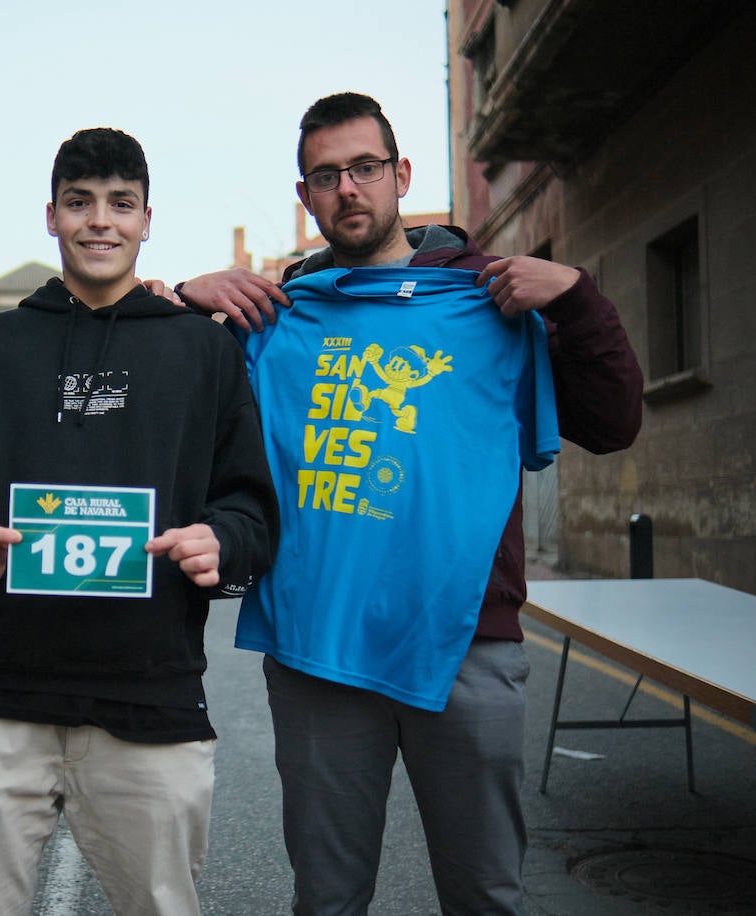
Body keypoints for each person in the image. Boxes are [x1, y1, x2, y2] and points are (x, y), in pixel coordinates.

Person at [175, 92, 644, 915]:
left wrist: (574, 297)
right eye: (326, 176)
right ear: (306, 195)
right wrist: (180, 301)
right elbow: (162, 415)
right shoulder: (278, 318)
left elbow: (612, 424)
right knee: (327, 898)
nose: (347, 189)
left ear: (402, 175)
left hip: (464, 639)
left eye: (364, 168)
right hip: (317, 641)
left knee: (485, 895)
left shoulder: (491, 304)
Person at [0, 127, 279, 915]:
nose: (100, 221)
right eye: (79, 203)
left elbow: (251, 506)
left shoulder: (204, 353)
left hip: (150, 701)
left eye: (121, 203)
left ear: (149, 218)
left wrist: (222, 543)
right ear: (52, 216)